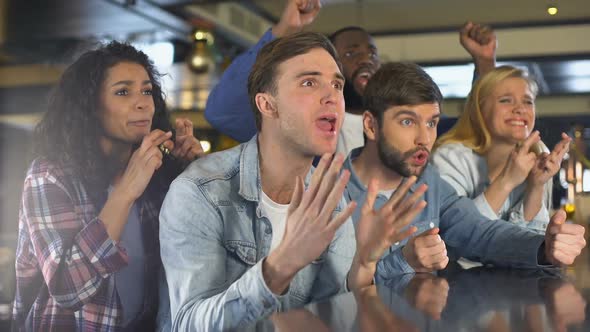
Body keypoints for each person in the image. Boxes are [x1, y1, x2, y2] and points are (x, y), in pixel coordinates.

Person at [159, 32, 424, 331]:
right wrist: (281, 265)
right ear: (267, 105)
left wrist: (364, 264)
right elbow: (188, 324)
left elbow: (333, 311)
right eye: (309, 82)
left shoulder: (332, 197)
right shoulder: (200, 190)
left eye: (337, 84)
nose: (332, 96)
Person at [12, 41, 204, 331]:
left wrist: (194, 175)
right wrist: (126, 191)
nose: (142, 102)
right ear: (90, 106)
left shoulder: (158, 174)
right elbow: (67, 288)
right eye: (123, 91)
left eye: (147, 90)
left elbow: (197, 259)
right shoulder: (49, 176)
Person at [342, 62, 585, 278]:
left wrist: (544, 248)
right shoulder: (331, 195)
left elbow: (479, 231)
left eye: (432, 123)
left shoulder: (427, 181)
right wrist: (402, 262)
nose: (424, 138)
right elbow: (324, 297)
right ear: (371, 125)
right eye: (408, 121)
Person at [204, 0, 498, 155]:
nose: (366, 58)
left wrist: (484, 63)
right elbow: (223, 112)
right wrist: (285, 31)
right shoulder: (303, 126)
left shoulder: (408, 125)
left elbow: (472, 132)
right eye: (351, 53)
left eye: (372, 53)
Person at [432, 66, 571, 233]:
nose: (520, 109)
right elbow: (456, 236)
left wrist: (536, 185)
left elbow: (529, 243)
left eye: (528, 101)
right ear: (480, 110)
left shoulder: (537, 158)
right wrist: (507, 181)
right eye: (506, 100)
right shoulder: (450, 157)